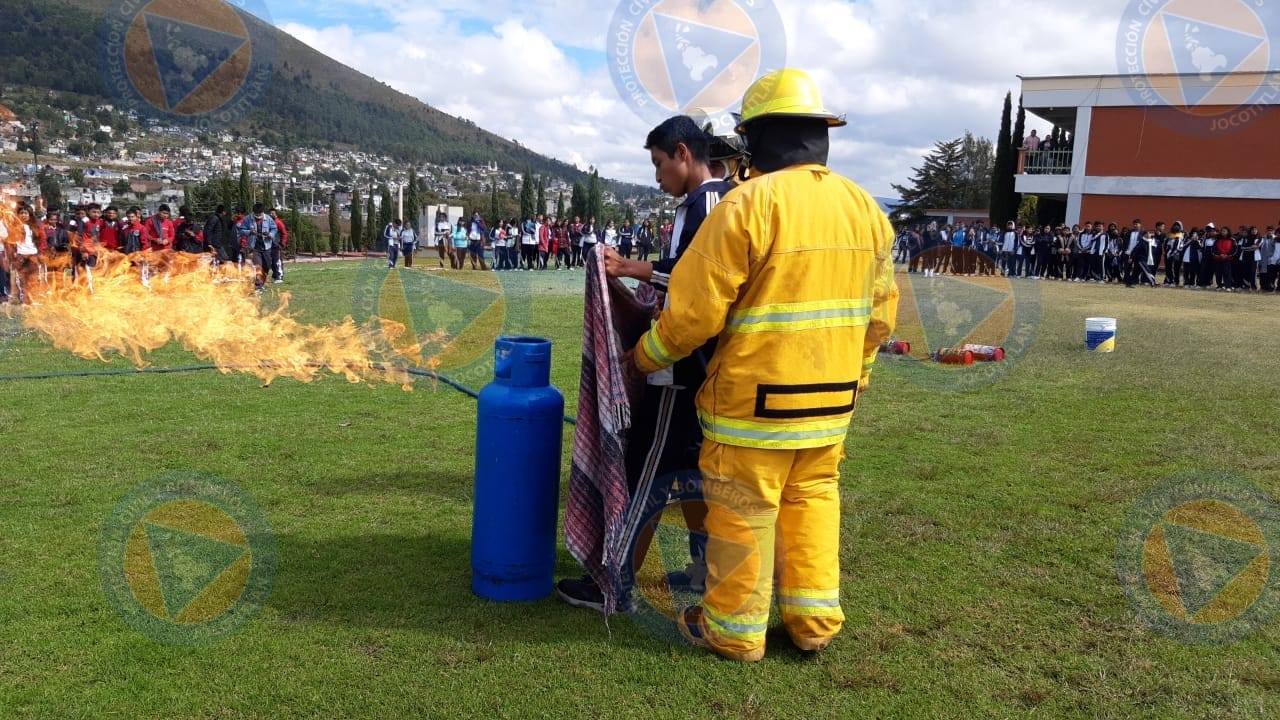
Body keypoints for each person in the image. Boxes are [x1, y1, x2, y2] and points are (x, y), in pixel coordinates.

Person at [629, 69, 898, 662]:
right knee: (813, 503)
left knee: (742, 510)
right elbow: (880, 321)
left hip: (754, 407)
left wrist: (643, 355)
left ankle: (734, 630)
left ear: (756, 140)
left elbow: (693, 315)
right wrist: (856, 380)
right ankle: (813, 624)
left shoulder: (747, 205)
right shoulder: (867, 210)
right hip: (831, 408)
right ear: (820, 134)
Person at [558, 114, 734, 614]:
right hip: (708, 369)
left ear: (683, 153)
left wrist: (629, 267)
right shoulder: (722, 200)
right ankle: (704, 569)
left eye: (659, 165)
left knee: (642, 470)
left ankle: (614, 585)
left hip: (680, 368)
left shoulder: (705, 204)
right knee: (691, 470)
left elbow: (692, 282)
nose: (657, 178)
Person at [238, 203, 278, 294]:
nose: (258, 216)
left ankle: (262, 283)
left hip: (266, 246)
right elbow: (241, 230)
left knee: (267, 266)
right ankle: (258, 286)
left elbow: (274, 229)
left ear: (263, 212)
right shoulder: (248, 219)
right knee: (258, 266)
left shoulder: (268, 219)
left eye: (259, 214)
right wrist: (249, 232)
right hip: (254, 247)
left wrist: (270, 235)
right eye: (256, 214)